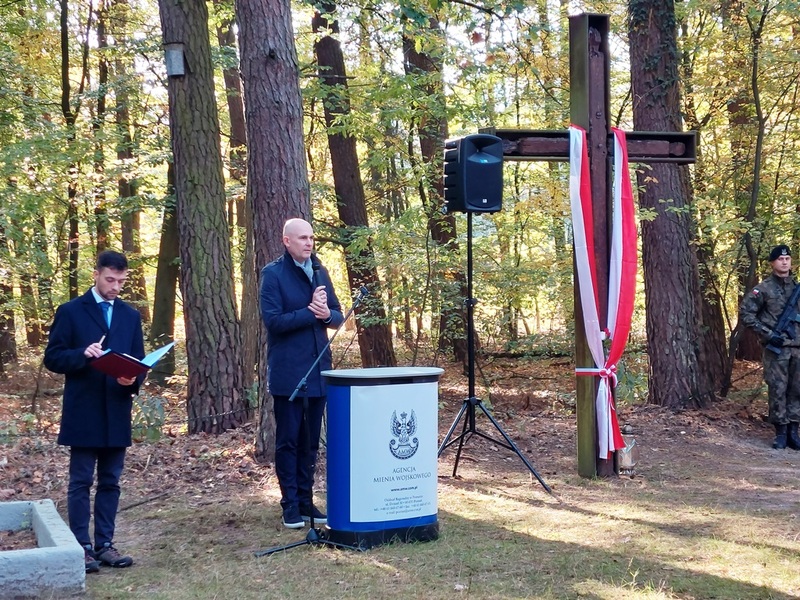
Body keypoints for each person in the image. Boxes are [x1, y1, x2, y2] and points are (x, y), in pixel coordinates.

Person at [44, 250, 143, 572]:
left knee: (111, 481)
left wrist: (131, 380)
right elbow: (54, 358)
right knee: (81, 481)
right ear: (96, 274)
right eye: (109, 279)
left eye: (121, 281)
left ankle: (105, 545)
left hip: (116, 408)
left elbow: (140, 363)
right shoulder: (72, 311)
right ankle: (81, 547)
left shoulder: (130, 316)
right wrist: (82, 354)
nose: (115, 286)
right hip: (83, 408)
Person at [259, 218, 344, 529]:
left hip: (320, 369)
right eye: (303, 238)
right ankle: (290, 504)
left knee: (310, 442)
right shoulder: (273, 274)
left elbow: (337, 314)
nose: (309, 243)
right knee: (289, 441)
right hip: (289, 373)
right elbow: (274, 322)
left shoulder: (320, 270)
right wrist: (310, 312)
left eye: (311, 237)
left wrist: (326, 314)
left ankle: (308, 501)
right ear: (287, 241)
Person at [739, 244, 800, 450]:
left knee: (796, 390)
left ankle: (794, 431)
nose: (784, 262)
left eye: (787, 259)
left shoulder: (797, 288)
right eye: (780, 259)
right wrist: (768, 334)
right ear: (773, 263)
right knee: (777, 389)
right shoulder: (762, 289)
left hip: (798, 348)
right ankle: (781, 432)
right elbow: (746, 314)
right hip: (777, 349)